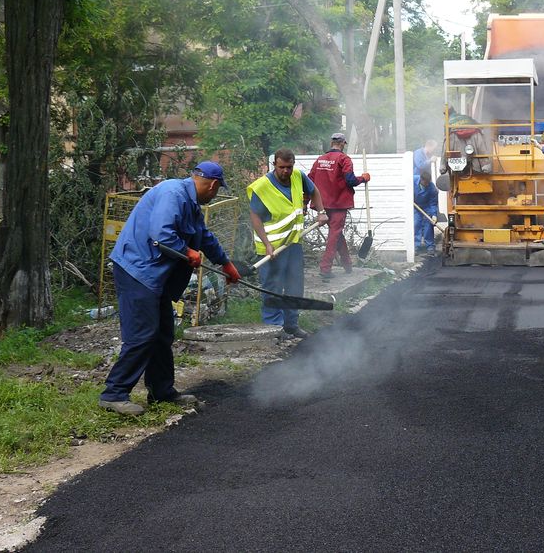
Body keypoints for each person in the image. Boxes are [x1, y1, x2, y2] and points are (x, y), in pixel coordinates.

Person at [99, 161, 242, 416]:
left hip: (154, 276)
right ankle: (114, 394)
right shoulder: (172, 193)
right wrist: (187, 251)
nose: (215, 193)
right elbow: (161, 234)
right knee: (142, 334)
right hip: (137, 271)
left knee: (163, 333)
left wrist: (226, 263)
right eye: (218, 189)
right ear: (213, 185)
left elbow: (205, 237)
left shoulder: (190, 204)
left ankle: (162, 391)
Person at [247, 148, 327, 339]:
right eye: (282, 167)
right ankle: (274, 328)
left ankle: (291, 325)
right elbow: (255, 217)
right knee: (272, 287)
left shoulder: (298, 176)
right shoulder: (262, 187)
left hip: (293, 243)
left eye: (289, 167)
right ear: (274, 164)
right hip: (271, 247)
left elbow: (314, 190)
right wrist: (267, 244)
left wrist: (321, 211)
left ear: (293, 165)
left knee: (294, 285)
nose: (286, 171)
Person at [308, 132, 370, 279]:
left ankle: (347, 265)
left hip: (322, 204)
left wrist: (304, 204)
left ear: (331, 143)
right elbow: (350, 180)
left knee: (337, 233)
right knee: (334, 235)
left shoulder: (320, 160)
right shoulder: (344, 159)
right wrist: (364, 178)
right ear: (342, 144)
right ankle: (325, 268)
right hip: (338, 204)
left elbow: (309, 181)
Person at [413, 168, 439, 253]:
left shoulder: (432, 188)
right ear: (421, 179)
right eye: (425, 182)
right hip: (415, 205)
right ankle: (416, 245)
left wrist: (434, 215)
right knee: (416, 223)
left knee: (429, 223)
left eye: (428, 182)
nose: (427, 184)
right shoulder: (413, 181)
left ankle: (430, 246)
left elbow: (433, 203)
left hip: (427, 206)